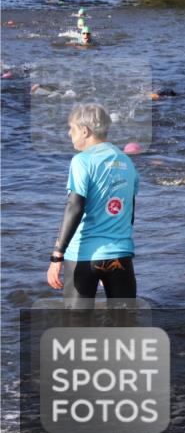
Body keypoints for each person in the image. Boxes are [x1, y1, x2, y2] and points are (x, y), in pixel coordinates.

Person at [47, 103, 140, 303]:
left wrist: (57, 255)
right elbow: (129, 214)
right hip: (120, 256)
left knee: (76, 326)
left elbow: (75, 206)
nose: (69, 134)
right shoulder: (127, 162)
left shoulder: (82, 161)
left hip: (84, 256)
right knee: (125, 326)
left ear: (84, 130)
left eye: (71, 129)